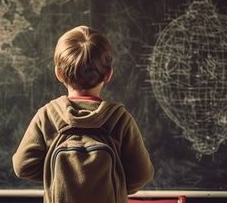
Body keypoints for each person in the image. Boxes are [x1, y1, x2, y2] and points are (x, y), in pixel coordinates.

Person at [12, 25, 154, 203]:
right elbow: (142, 174)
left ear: (59, 74)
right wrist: (114, 185)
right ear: (108, 74)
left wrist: (58, 179)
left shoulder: (47, 115)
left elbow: (22, 167)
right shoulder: (120, 118)